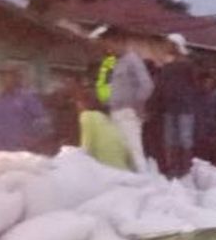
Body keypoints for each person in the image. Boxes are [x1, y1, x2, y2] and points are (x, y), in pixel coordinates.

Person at [103, 38, 154, 172]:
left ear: (120, 42)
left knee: (134, 152)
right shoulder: (116, 63)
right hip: (116, 113)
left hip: (128, 113)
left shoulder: (132, 60)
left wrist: (135, 104)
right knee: (121, 153)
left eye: (110, 44)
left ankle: (144, 183)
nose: (109, 49)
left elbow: (147, 85)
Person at [154, 34, 199, 177]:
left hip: (184, 108)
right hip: (171, 108)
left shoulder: (186, 65)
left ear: (176, 45)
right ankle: (173, 169)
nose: (166, 46)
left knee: (183, 139)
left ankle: (184, 169)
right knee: (171, 140)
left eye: (169, 44)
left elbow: (194, 84)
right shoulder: (167, 66)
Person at [0, 67, 50, 152]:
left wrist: (33, 137)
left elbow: (43, 119)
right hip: (0, 150)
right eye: (2, 77)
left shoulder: (27, 97)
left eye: (7, 76)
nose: (3, 79)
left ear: (17, 78)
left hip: (21, 150)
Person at [77, 90, 132, 171]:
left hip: (107, 168)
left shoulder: (86, 116)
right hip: (123, 170)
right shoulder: (107, 120)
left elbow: (87, 146)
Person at [193, 73, 216, 165]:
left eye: (210, 83)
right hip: (197, 132)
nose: (207, 85)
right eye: (206, 82)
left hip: (211, 132)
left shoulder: (215, 98)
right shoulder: (194, 97)